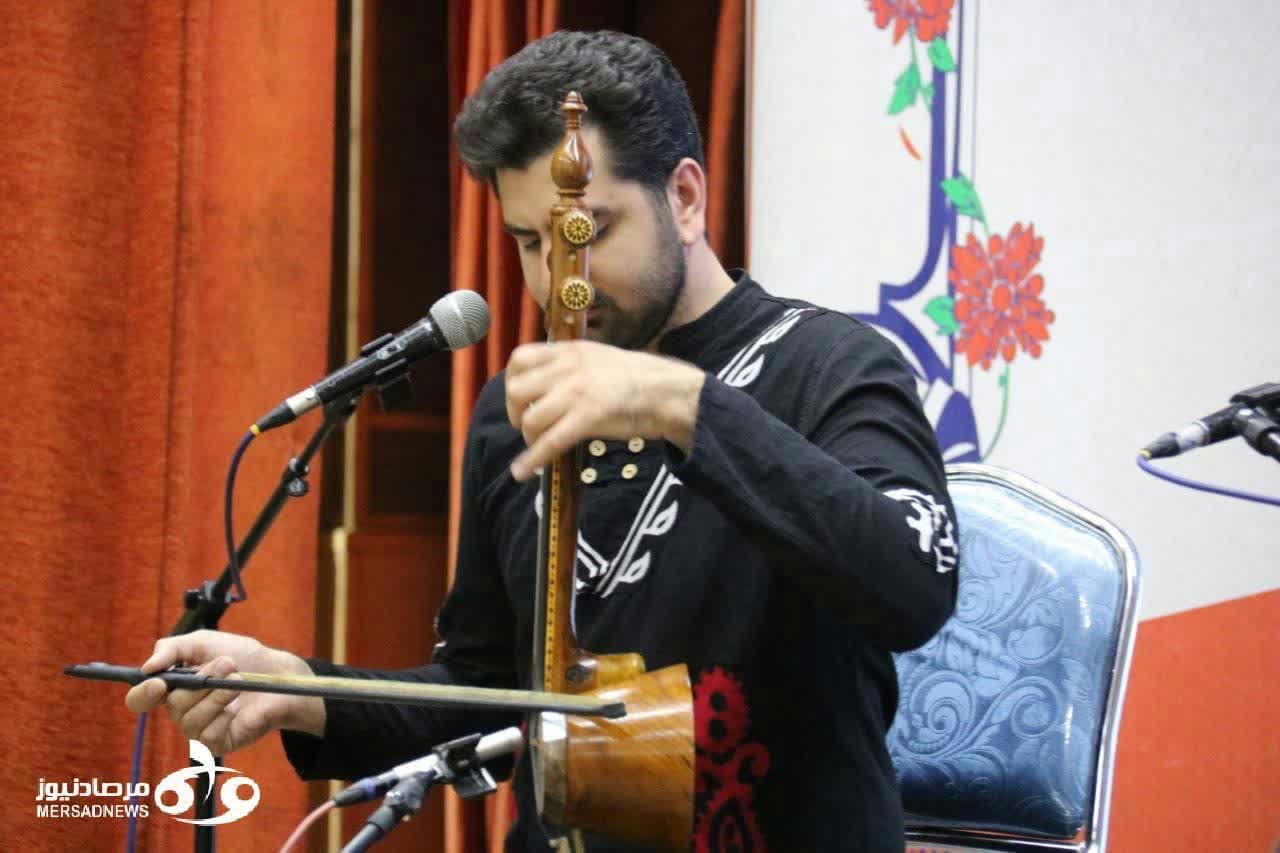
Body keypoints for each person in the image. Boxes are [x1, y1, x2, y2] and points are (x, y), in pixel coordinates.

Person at [126, 30, 959, 851]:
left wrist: (681, 402)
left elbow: (915, 582)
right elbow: (486, 691)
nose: (560, 278)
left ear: (685, 197)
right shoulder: (517, 408)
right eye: (530, 242)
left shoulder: (831, 366)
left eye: (587, 232)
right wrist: (301, 689)